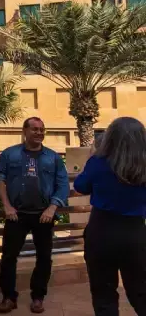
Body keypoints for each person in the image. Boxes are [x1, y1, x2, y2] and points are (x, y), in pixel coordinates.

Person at [0, 117, 69, 314]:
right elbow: (0, 179)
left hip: (44, 215)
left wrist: (52, 208)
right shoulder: (10, 154)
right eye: (35, 129)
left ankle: (38, 297)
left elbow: (62, 185)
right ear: (25, 131)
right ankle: (8, 297)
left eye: (42, 130)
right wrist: (7, 206)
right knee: (8, 257)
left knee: (44, 257)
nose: (39, 133)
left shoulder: (53, 158)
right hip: (16, 215)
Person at [74, 117, 146, 316]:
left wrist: (92, 158)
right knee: (141, 291)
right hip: (135, 233)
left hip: (101, 231)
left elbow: (80, 186)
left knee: (103, 293)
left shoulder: (98, 162)